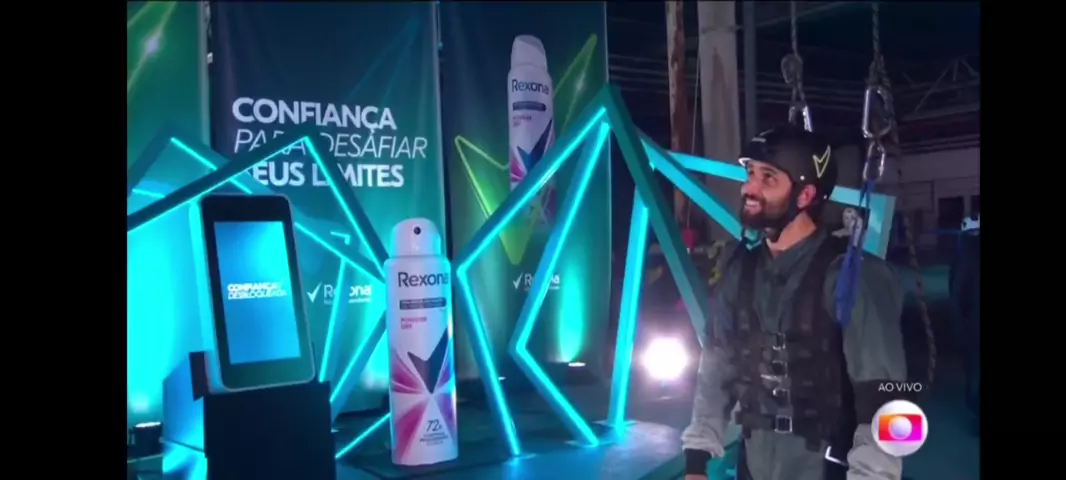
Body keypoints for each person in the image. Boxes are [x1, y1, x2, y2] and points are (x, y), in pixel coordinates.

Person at [681, 126, 909, 480]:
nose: (748, 188)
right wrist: (696, 461)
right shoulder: (739, 272)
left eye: (768, 178)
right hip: (754, 468)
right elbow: (716, 367)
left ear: (805, 195)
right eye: (750, 174)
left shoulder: (855, 278)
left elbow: (887, 399)